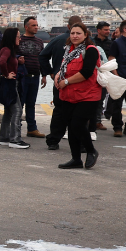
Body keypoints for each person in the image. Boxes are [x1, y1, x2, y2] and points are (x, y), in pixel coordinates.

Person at [55, 23, 102, 169]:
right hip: (69, 94)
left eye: (78, 33)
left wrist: (66, 81)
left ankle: (91, 151)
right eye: (72, 33)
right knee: (71, 127)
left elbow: (87, 72)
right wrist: (58, 77)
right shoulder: (70, 50)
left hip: (87, 95)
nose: (75, 36)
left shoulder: (91, 50)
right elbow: (64, 68)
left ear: (85, 35)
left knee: (78, 124)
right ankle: (75, 159)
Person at [39, 15, 84, 150]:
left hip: (60, 80)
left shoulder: (57, 40)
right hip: (78, 81)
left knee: (60, 112)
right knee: (78, 113)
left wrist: (51, 72)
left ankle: (53, 140)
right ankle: (79, 143)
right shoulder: (87, 43)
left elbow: (42, 55)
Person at [0, 27, 29, 148]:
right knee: (17, 110)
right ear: (12, 37)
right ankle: (15, 139)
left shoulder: (7, 50)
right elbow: (1, 62)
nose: (20, 39)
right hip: (10, 83)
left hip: (6, 83)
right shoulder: (7, 50)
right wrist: (6, 74)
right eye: (18, 36)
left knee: (8, 111)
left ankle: (4, 137)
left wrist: (16, 60)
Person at [17, 17, 45, 138]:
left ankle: (32, 128)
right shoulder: (19, 40)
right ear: (26, 27)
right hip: (22, 77)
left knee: (31, 103)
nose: (36, 27)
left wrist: (44, 75)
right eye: (33, 25)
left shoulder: (39, 41)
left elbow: (42, 58)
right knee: (20, 103)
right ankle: (16, 127)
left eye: (37, 25)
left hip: (35, 76)